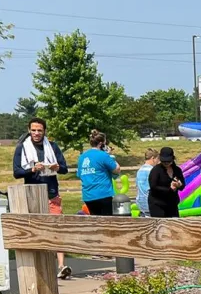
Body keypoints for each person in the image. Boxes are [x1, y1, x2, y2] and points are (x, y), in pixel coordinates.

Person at [12, 117, 71, 278]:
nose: (36, 133)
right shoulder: (22, 148)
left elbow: (65, 169)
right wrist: (32, 169)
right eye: (33, 130)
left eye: (39, 130)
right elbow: (17, 172)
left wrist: (57, 167)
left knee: (57, 228)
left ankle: (61, 265)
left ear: (44, 131)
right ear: (29, 130)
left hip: (52, 192)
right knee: (38, 231)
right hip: (33, 195)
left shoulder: (52, 147)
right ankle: (40, 267)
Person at [77, 130, 120, 217]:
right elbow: (116, 169)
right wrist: (110, 155)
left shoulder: (82, 157)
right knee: (107, 222)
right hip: (103, 194)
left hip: (88, 196)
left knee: (95, 220)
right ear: (101, 144)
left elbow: (79, 175)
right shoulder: (103, 155)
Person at [148, 147, 184, 218]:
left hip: (172, 203)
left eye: (168, 161)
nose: (166, 163)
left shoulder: (177, 170)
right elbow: (153, 186)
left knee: (174, 224)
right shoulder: (156, 170)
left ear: (173, 159)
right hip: (157, 203)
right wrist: (169, 189)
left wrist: (179, 185)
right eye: (164, 161)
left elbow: (182, 186)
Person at [136, 148, 158, 217]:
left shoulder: (139, 170)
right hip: (150, 203)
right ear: (153, 158)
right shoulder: (152, 171)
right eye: (157, 159)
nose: (158, 162)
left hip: (140, 203)